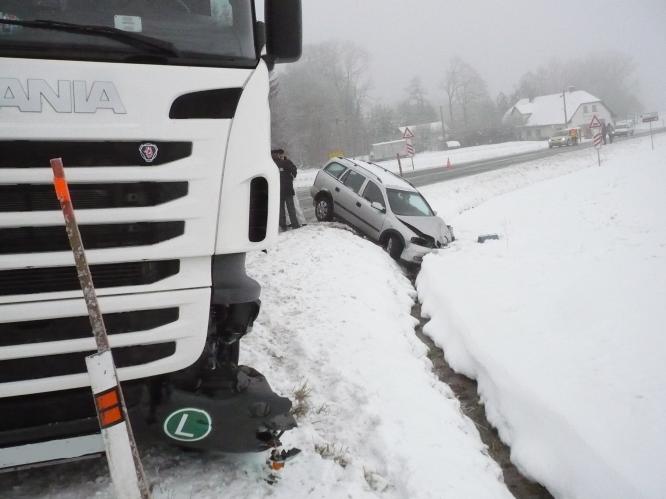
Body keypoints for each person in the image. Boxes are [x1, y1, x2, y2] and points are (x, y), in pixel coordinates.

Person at [271, 149, 300, 230]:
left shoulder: (273, 163)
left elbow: (294, 170)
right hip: (285, 189)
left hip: (281, 189)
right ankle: (293, 224)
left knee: (283, 209)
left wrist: (292, 176)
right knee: (288, 208)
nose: (279, 155)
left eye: (279, 154)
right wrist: (292, 176)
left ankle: (285, 225)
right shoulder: (284, 162)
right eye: (278, 154)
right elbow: (294, 170)